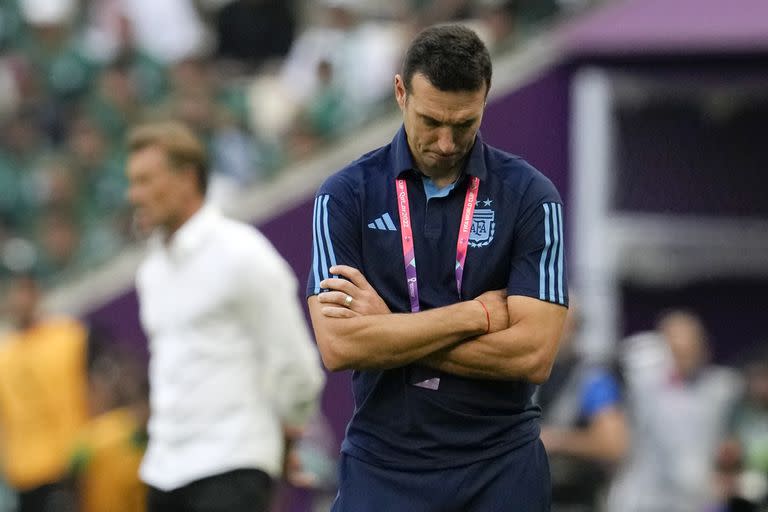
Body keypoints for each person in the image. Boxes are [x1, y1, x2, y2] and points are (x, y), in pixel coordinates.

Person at [306, 24, 568, 511]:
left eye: (464, 123)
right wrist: (474, 316)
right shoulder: (344, 195)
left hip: (500, 464)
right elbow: (340, 344)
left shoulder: (532, 197)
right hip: (383, 465)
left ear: (486, 99)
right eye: (430, 121)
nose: (446, 143)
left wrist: (388, 332)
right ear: (400, 92)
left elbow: (533, 355)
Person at [125, 121, 325, 512]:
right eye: (133, 182)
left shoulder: (241, 252)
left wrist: (284, 436)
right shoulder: (151, 272)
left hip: (233, 461)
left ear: (187, 179)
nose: (135, 195)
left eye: (146, 181)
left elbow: (295, 363)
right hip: (164, 471)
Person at [607, 310, 742, 512]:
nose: (683, 356)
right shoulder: (641, 385)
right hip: (642, 500)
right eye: (676, 350)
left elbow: (727, 444)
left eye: (691, 349)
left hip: (696, 502)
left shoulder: (721, 390)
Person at [0, 274, 88, 512]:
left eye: (23, 291)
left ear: (37, 294)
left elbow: (94, 386)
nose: (18, 300)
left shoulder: (68, 335)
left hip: (74, 459)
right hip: (27, 473)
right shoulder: (4, 355)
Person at [537, 300, 628, 511]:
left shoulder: (593, 380)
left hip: (576, 498)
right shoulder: (529, 375)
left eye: (560, 323)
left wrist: (558, 440)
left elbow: (614, 445)